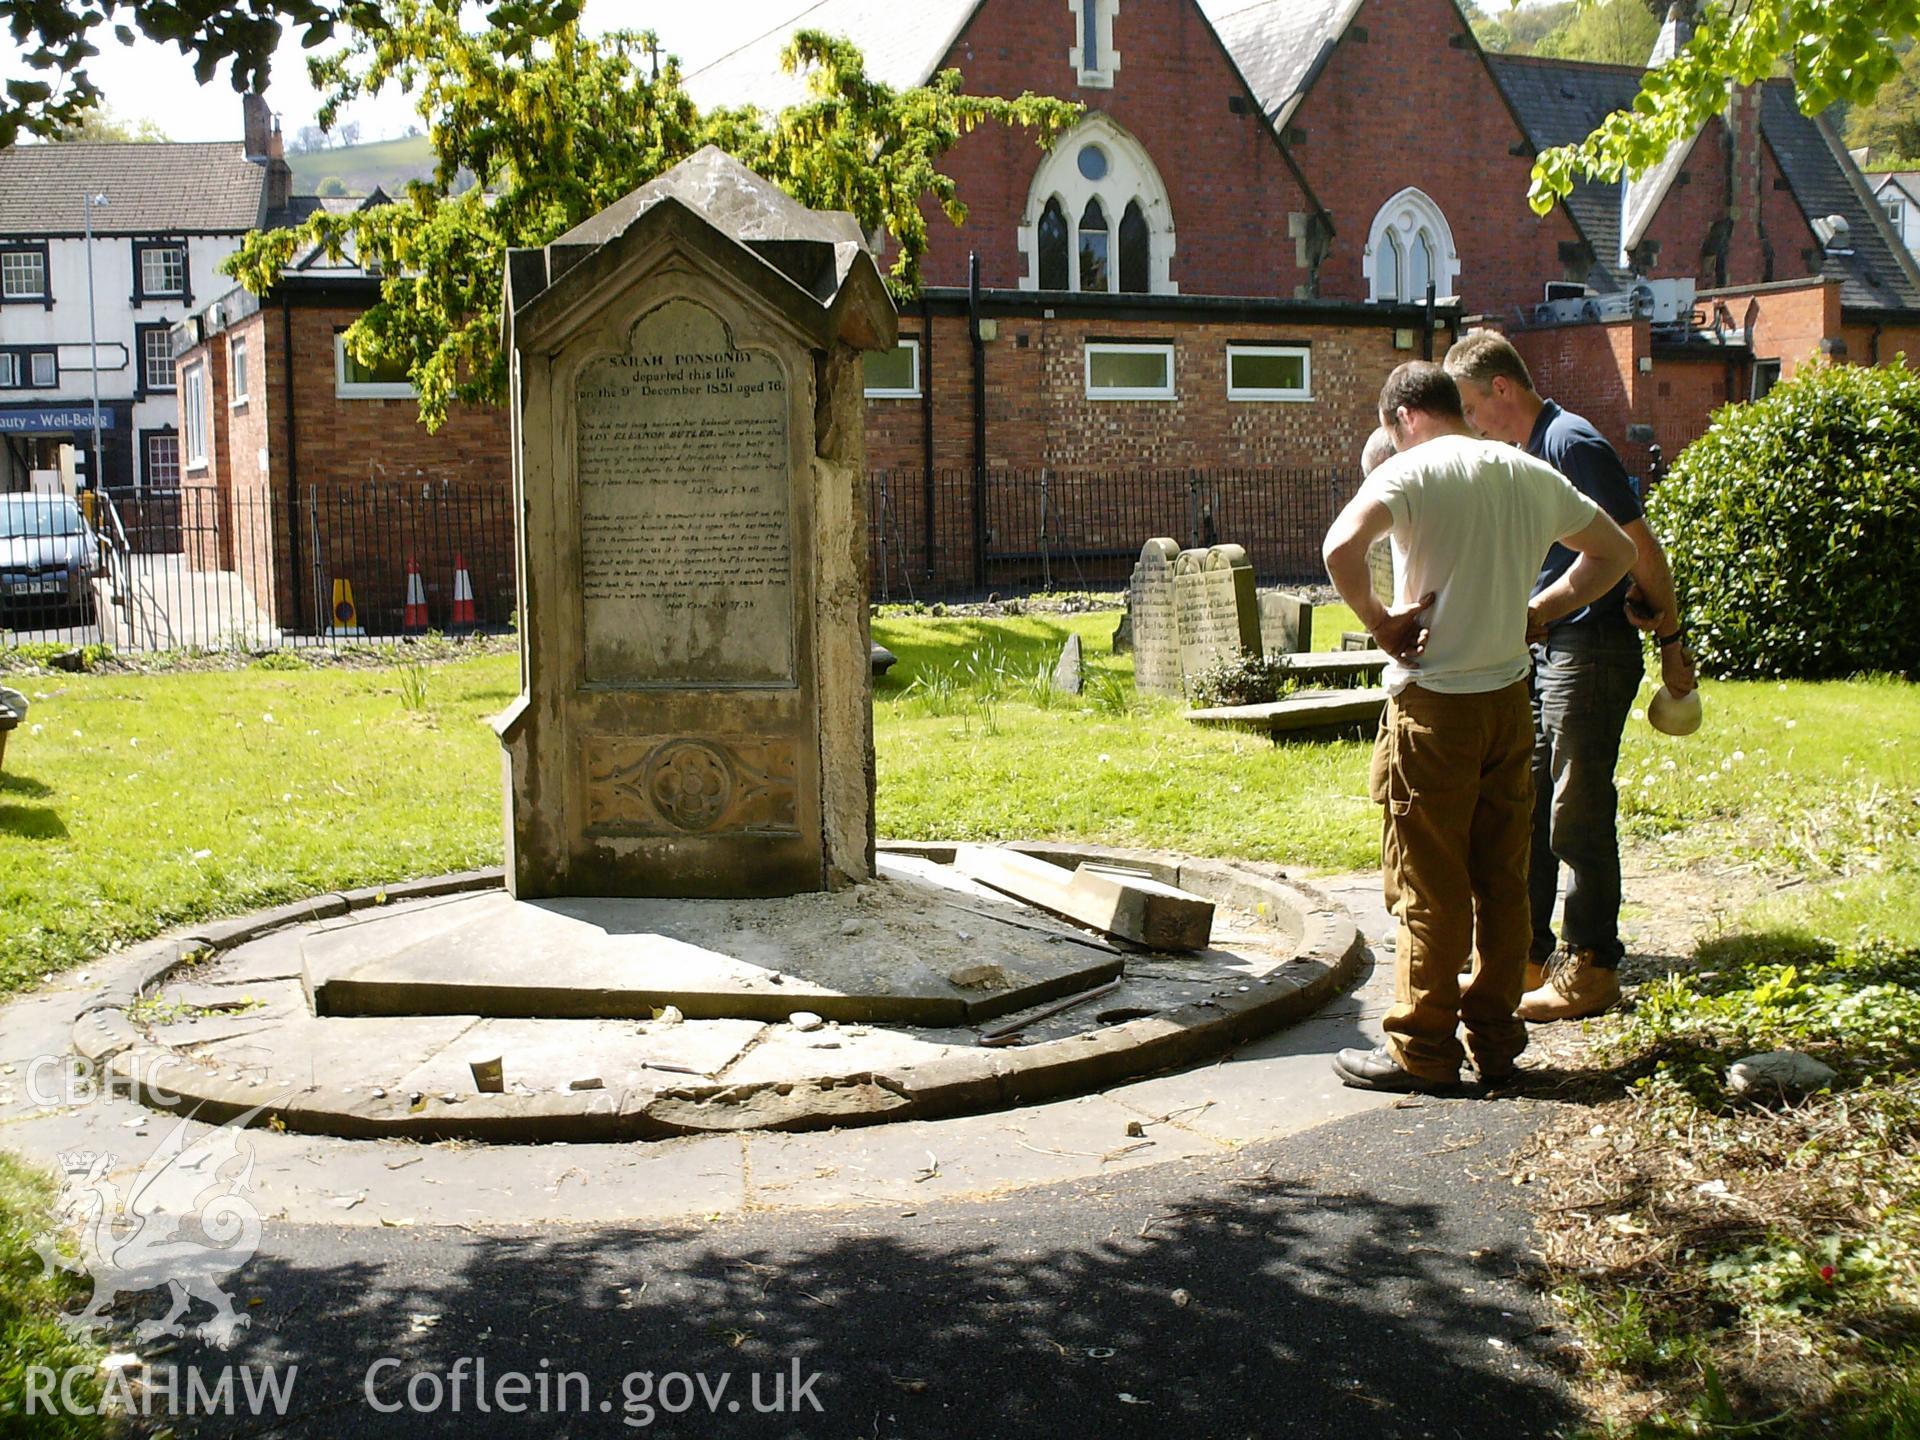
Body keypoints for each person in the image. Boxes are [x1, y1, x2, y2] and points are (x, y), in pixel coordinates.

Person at [1323, 363, 1636, 1093]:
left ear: (1403, 419)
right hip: (1507, 700)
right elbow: (1615, 552)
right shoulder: (1527, 472)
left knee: (1428, 882)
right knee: (1500, 880)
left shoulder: (1413, 471)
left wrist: (1381, 623)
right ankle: (1495, 1039)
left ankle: (1421, 1049)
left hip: (1435, 706)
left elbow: (1340, 549)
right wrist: (1543, 611)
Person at [1443, 333, 1699, 1022]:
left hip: (1590, 648)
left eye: (1471, 407)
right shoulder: (1530, 452)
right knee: (1522, 801)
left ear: (1502, 389)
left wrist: (1673, 639)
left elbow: (1636, 547)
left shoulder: (1570, 441)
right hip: (1548, 650)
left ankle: (1590, 965)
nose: (1471, 424)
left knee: (1575, 805)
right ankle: (1522, 954)